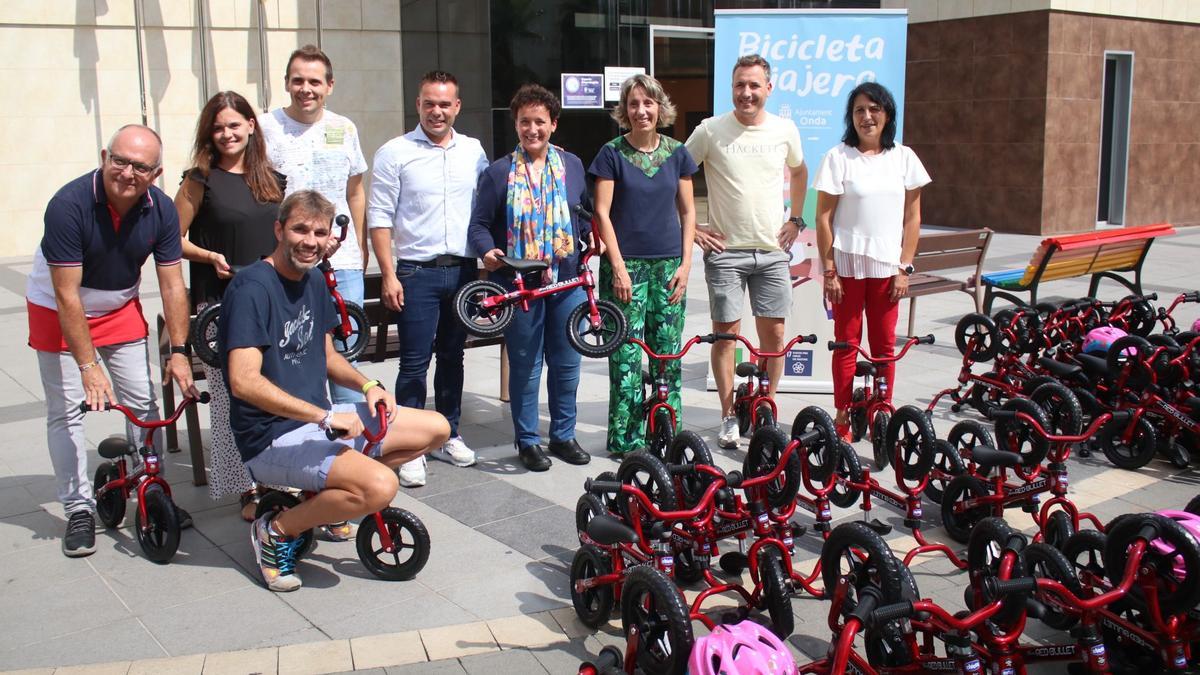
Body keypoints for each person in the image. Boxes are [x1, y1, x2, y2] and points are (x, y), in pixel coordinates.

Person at [219, 190, 449, 592]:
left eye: (319, 232)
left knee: (438, 428)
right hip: (271, 438)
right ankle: (275, 530)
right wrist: (324, 416)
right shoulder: (251, 289)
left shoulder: (312, 282)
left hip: (319, 424)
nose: (310, 240)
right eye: (300, 229)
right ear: (279, 229)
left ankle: (324, 499)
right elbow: (243, 380)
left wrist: (369, 384)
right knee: (380, 486)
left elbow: (326, 355)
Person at [26, 124, 199, 557]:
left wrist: (178, 351)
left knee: (143, 405)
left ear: (156, 173)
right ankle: (79, 507)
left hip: (118, 307)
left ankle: (150, 488)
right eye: (118, 160)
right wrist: (89, 367)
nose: (126, 172)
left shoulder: (160, 209)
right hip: (58, 309)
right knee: (66, 412)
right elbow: (67, 293)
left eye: (139, 166)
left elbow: (174, 286)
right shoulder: (69, 204)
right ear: (105, 156)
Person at [368, 70, 489, 487]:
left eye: (445, 104)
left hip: (462, 271)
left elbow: (488, 205)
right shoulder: (394, 152)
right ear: (417, 105)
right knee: (414, 363)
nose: (437, 111)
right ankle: (410, 446)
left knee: (453, 357)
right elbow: (379, 219)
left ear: (457, 106)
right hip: (415, 273)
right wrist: (388, 274)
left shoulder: (474, 151)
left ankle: (448, 432)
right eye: (429, 103)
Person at [467, 84, 593, 472]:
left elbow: (583, 213)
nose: (532, 129)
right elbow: (479, 225)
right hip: (519, 285)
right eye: (525, 121)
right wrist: (487, 251)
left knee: (568, 362)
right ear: (516, 124)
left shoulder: (571, 165)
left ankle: (563, 435)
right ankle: (527, 440)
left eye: (540, 121)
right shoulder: (499, 172)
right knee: (525, 364)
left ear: (553, 124)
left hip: (566, 281)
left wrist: (591, 239)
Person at [684, 54, 808, 450]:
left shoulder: (784, 129)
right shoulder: (710, 130)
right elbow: (677, 172)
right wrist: (694, 228)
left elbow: (801, 171)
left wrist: (797, 220)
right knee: (726, 339)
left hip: (772, 252)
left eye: (755, 85)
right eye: (740, 85)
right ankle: (727, 416)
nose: (747, 93)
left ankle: (767, 407)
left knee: (775, 338)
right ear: (732, 88)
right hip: (726, 253)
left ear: (768, 89)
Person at [175, 91, 284, 522]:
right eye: (218, 127)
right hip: (220, 305)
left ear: (251, 126)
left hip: (269, 300)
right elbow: (170, 240)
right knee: (232, 396)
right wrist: (208, 256)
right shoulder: (198, 180)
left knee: (275, 391)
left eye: (235, 125)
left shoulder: (275, 179)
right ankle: (246, 487)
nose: (227, 134)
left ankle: (278, 475)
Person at [812, 82, 930, 440]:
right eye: (860, 110)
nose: (867, 117)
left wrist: (904, 267)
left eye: (874, 109)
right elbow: (823, 219)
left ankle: (882, 405)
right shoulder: (838, 157)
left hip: (887, 270)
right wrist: (829, 270)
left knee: (883, 345)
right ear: (851, 117)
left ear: (887, 114)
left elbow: (913, 219)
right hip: (846, 270)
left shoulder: (904, 158)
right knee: (846, 343)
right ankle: (843, 414)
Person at [589, 74, 697, 455]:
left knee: (667, 352)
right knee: (627, 355)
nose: (641, 111)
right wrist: (617, 266)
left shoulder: (677, 152)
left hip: (668, 266)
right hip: (625, 267)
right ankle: (627, 439)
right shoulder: (611, 154)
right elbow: (602, 213)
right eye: (633, 104)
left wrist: (686, 265)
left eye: (648, 103)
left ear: (659, 107)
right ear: (625, 110)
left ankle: (669, 433)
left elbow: (688, 212)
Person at [259, 44, 368, 406]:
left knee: (345, 355)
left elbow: (355, 192)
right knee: (292, 351)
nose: (306, 89)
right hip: (288, 262)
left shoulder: (344, 128)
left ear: (329, 86)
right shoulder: (265, 127)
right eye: (298, 80)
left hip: (342, 261)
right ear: (287, 83)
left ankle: (353, 446)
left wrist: (360, 245)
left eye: (315, 82)